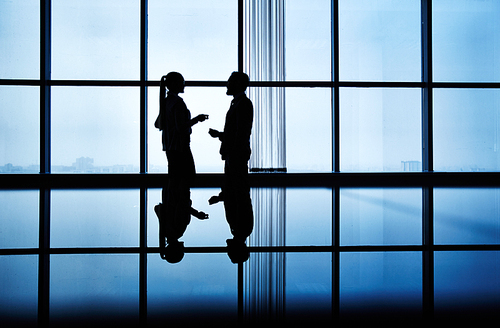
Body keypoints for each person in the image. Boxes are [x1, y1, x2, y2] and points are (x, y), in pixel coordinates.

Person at [154, 71, 208, 262]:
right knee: (184, 179)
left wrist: (195, 213)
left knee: (178, 179)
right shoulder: (177, 103)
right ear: (177, 84)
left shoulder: (167, 102)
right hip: (180, 147)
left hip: (170, 147)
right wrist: (197, 119)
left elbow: (158, 124)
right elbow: (180, 127)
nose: (185, 83)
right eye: (183, 81)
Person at [208, 71, 254, 261]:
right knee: (237, 184)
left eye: (229, 82)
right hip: (235, 153)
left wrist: (223, 139)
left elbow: (240, 133)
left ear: (237, 84)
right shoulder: (240, 103)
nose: (226, 85)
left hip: (236, 154)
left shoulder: (242, 104)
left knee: (236, 183)